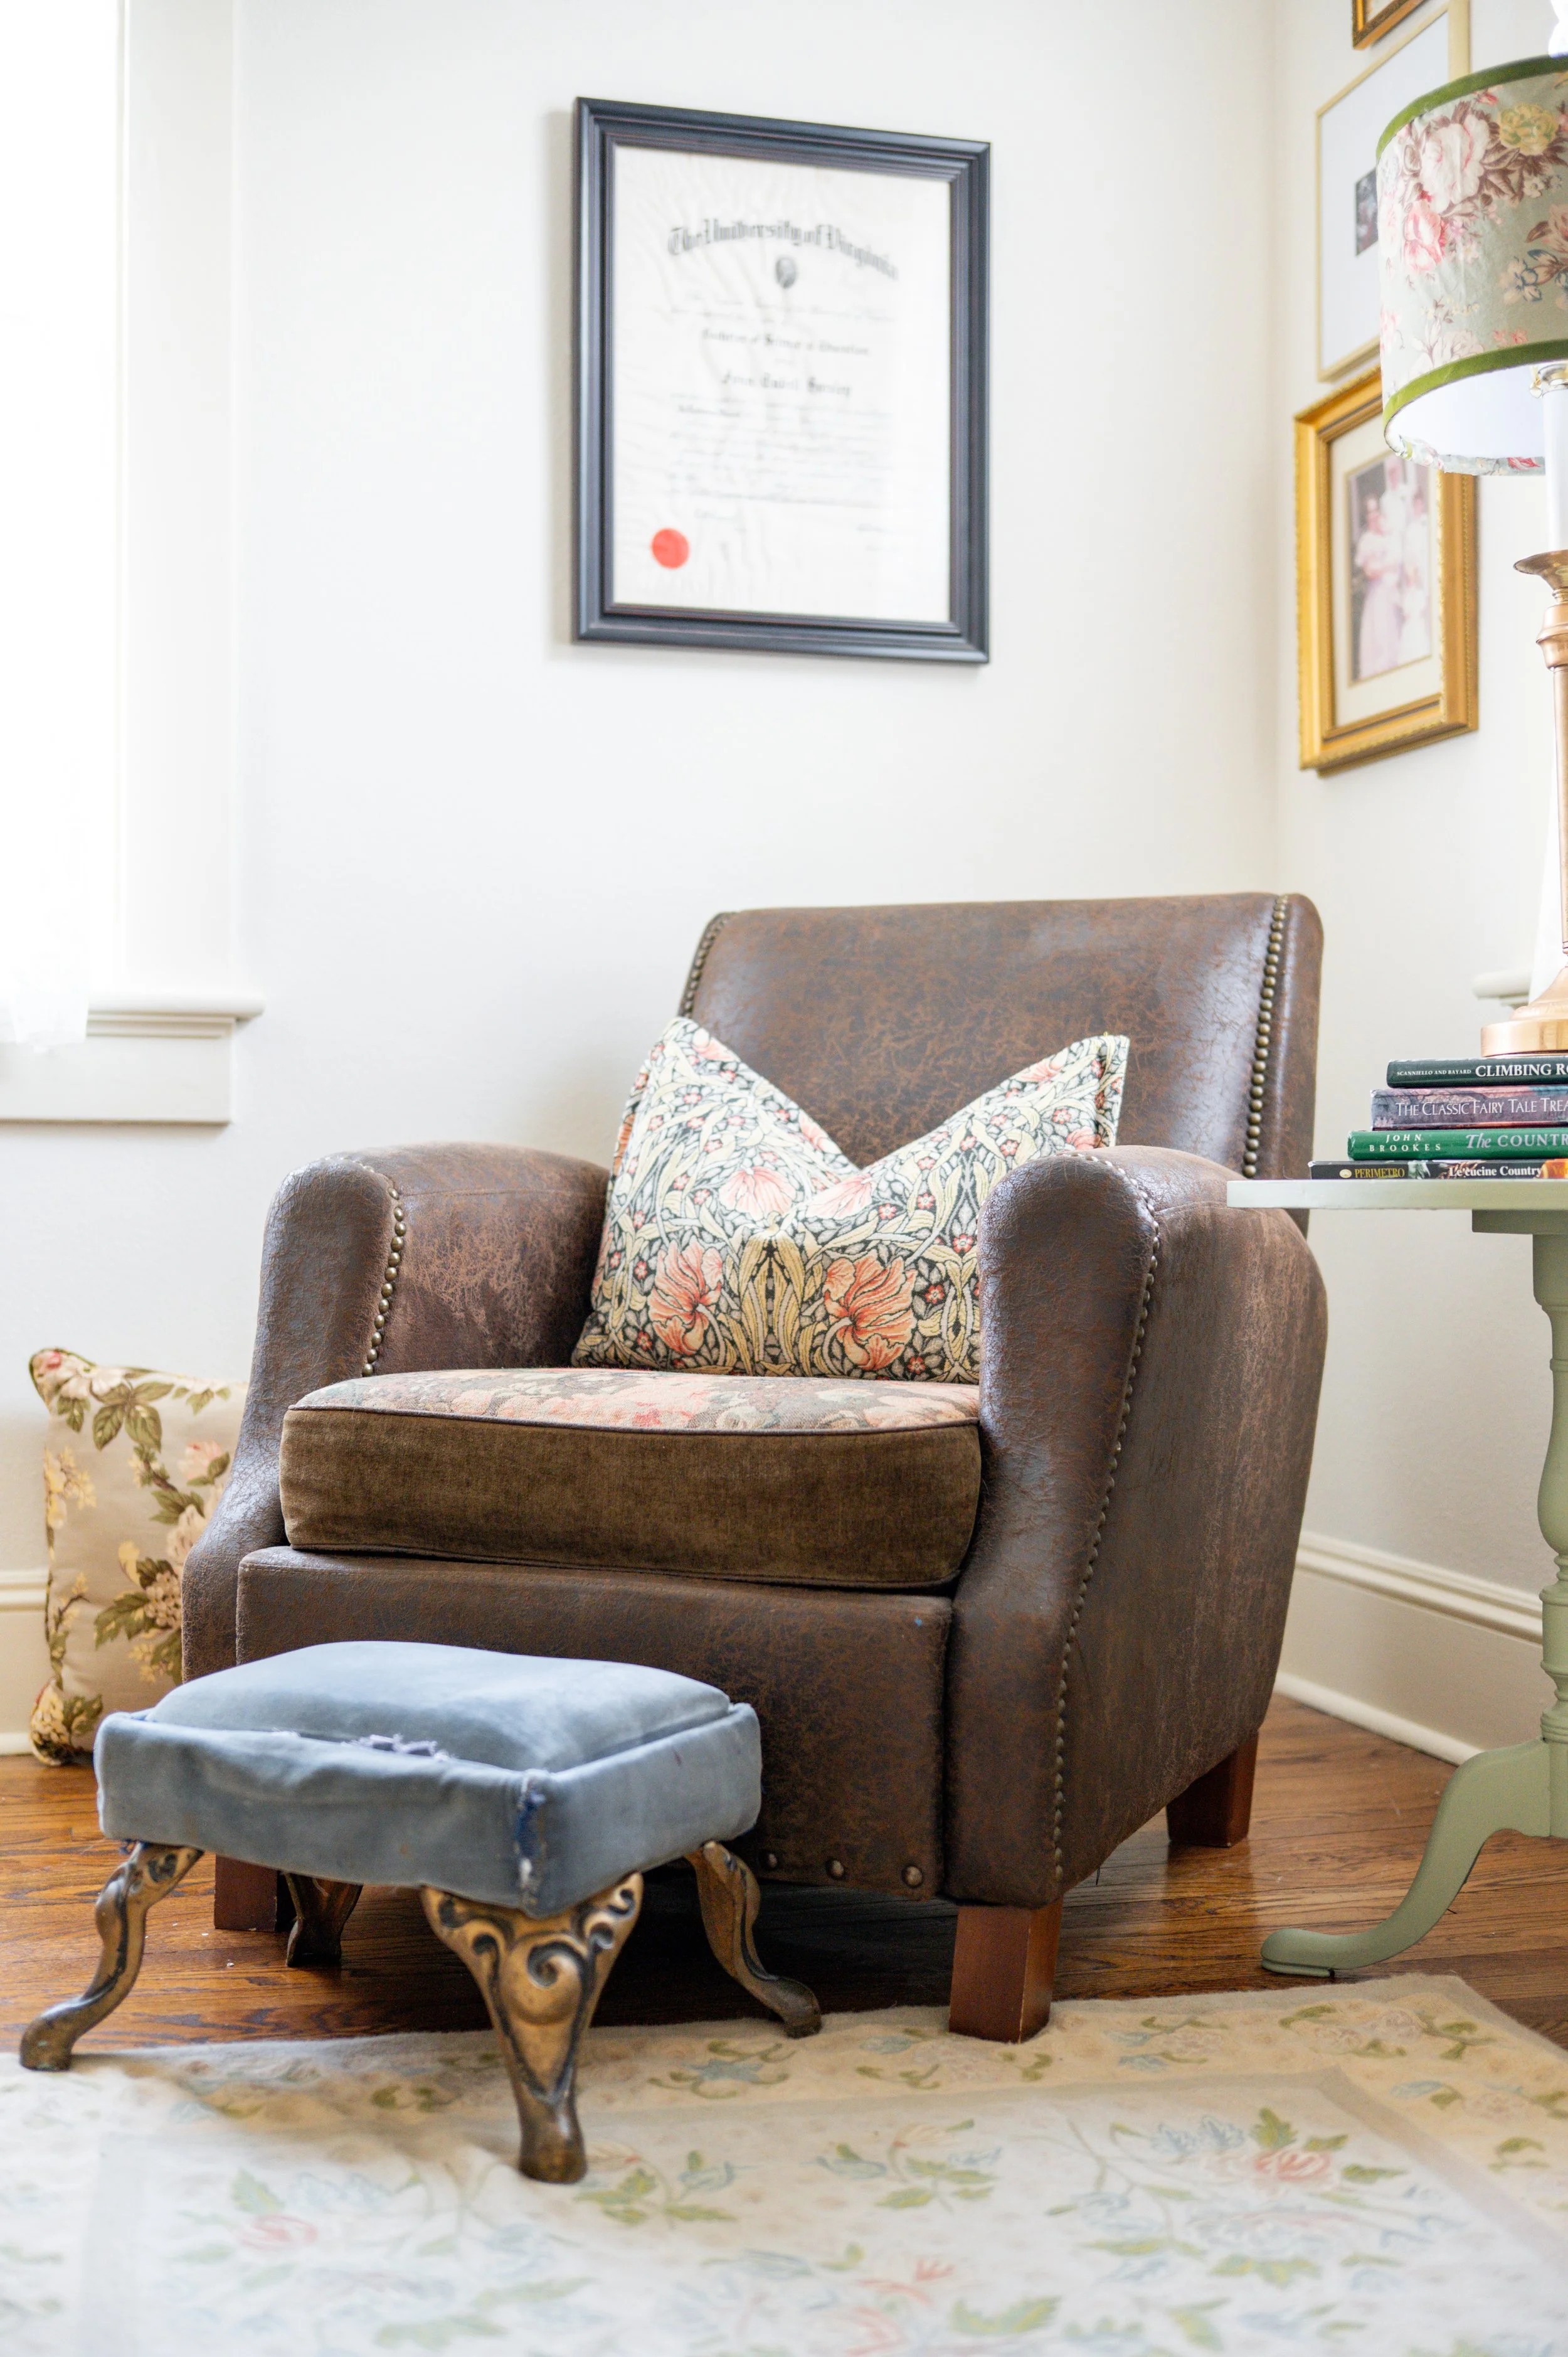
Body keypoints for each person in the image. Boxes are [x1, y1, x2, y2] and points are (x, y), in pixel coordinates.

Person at [1354, 491, 1402, 679]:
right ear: (1366, 516)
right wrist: (1386, 567)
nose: (1374, 516)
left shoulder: (1387, 535)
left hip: (1389, 592)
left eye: (1376, 511)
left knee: (1392, 632)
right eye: (1370, 512)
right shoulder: (1367, 541)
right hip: (1377, 594)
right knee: (1378, 634)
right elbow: (1369, 572)